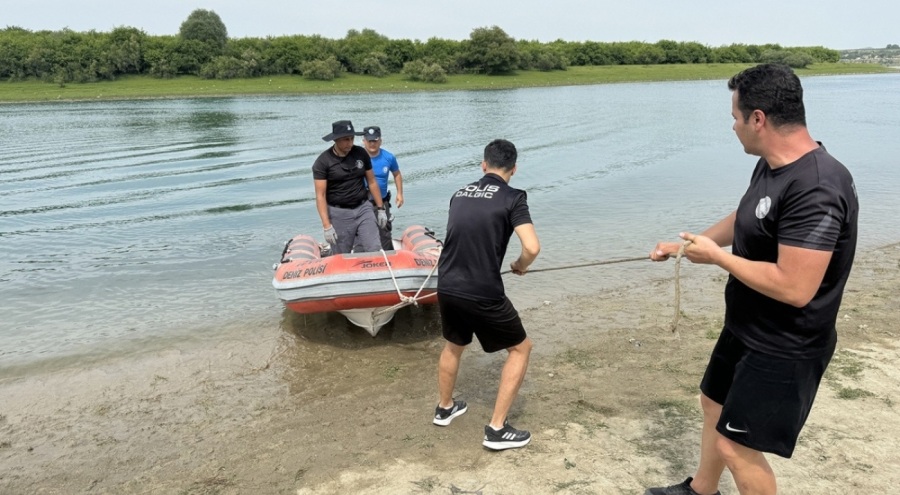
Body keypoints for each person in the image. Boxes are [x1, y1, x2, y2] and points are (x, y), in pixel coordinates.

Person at [645, 64, 858, 495]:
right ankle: (701, 490)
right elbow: (748, 216)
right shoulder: (772, 164)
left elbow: (795, 288)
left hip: (786, 342)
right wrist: (690, 243)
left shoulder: (816, 187)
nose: (733, 125)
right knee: (712, 403)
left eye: (736, 116)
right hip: (747, 324)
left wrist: (719, 260)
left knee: (736, 445)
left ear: (758, 119)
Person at [432, 139, 541, 451]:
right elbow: (532, 247)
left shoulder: (459, 194)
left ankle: (445, 408)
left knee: (454, 345)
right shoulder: (513, 197)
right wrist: (521, 265)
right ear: (514, 169)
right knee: (521, 349)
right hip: (481, 290)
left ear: (483, 165)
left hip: (447, 284)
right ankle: (496, 429)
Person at [312, 120, 388, 255]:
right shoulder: (323, 162)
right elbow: (320, 196)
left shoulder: (360, 153)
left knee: (374, 248)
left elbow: (371, 181)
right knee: (341, 254)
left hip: (363, 207)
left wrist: (381, 209)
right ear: (336, 140)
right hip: (339, 213)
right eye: (346, 140)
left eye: (352, 138)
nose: (350, 143)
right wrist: (326, 226)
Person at [362, 125, 404, 250]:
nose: (372, 144)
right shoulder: (358, 157)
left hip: (382, 201)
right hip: (362, 202)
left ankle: (388, 259)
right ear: (364, 141)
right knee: (362, 233)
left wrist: (400, 194)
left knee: (384, 232)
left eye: (375, 140)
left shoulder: (389, 157)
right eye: (369, 141)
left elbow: (397, 174)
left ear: (380, 140)